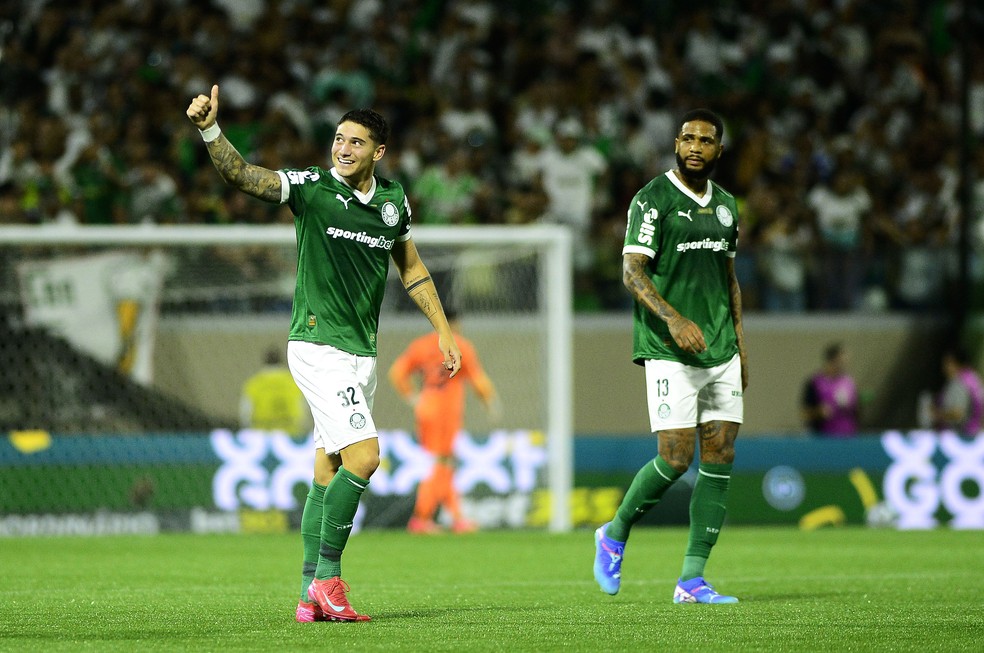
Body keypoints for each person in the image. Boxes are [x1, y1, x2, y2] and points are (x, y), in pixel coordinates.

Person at [186, 85, 462, 623]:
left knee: (328, 467)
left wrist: (442, 330)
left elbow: (410, 267)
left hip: (361, 354)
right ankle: (330, 579)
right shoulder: (310, 189)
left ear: (377, 152)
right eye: (338, 138)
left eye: (356, 142)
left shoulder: (392, 203)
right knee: (366, 457)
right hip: (317, 347)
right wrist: (209, 130)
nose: (343, 148)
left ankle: (307, 593)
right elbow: (243, 176)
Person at [593, 108, 748, 604]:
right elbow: (632, 272)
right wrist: (674, 319)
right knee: (676, 458)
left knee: (720, 457)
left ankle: (692, 580)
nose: (696, 147)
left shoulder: (726, 207)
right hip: (668, 348)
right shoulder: (652, 199)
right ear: (676, 144)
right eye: (688, 139)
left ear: (719, 150)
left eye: (706, 140)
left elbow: (729, 279)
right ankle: (613, 534)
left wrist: (741, 346)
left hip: (720, 348)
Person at [388, 308, 500, 534]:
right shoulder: (460, 345)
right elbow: (478, 380)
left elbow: (396, 372)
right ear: (454, 324)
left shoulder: (421, 345)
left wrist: (414, 397)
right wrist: (491, 401)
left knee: (444, 462)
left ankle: (457, 518)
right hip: (446, 411)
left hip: (427, 406)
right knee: (441, 463)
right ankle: (422, 516)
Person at [239, 347, 310, 436]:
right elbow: (303, 410)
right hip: (290, 435)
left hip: (262, 435)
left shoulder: (254, 384)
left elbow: (245, 414)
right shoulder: (293, 382)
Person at [801, 342, 860, 438]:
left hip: (848, 437)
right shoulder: (815, 383)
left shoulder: (849, 383)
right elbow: (805, 413)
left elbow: (856, 411)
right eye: (842, 360)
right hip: (824, 438)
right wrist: (819, 412)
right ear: (832, 360)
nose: (844, 364)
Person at [931, 348, 984, 436]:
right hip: (975, 433)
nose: (943, 367)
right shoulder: (973, 378)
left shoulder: (959, 382)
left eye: (946, 362)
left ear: (954, 363)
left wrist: (937, 414)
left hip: (960, 436)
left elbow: (958, 413)